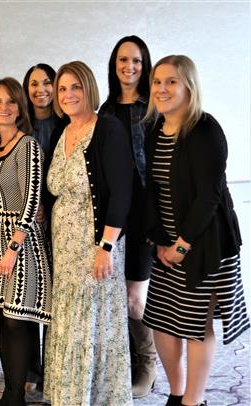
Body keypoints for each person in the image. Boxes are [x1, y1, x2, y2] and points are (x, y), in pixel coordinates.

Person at [142, 55, 250, 406]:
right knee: (161, 320)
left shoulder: (205, 130)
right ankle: (177, 394)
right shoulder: (155, 130)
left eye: (171, 81)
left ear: (189, 86)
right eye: (157, 81)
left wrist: (182, 245)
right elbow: (152, 190)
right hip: (166, 244)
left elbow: (209, 196)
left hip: (204, 243)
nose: (162, 88)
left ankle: (193, 400)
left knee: (195, 324)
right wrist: (161, 241)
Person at [44, 61, 133, 405]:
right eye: (62, 89)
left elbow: (122, 192)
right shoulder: (61, 130)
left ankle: (96, 397)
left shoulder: (108, 129)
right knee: (69, 323)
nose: (68, 95)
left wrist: (106, 247)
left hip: (96, 245)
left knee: (94, 324)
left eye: (75, 87)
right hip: (64, 249)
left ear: (89, 89)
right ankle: (69, 395)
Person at [0, 77, 52, 406]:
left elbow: (32, 200)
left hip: (21, 241)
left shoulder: (27, 146)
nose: (4, 107)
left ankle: (16, 394)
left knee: (15, 320)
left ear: (20, 108)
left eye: (10, 101)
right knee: (1, 318)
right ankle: (11, 388)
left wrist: (14, 247)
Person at [98, 35, 156, 399]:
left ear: (144, 65)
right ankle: (127, 363)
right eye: (123, 60)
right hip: (114, 217)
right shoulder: (105, 112)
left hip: (147, 216)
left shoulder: (154, 108)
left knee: (136, 297)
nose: (129, 67)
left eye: (136, 60)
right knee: (117, 296)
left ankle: (147, 365)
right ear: (114, 65)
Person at [21, 63, 68, 391]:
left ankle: (53, 369)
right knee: (32, 294)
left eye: (47, 82)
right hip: (27, 222)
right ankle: (31, 369)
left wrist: (47, 207)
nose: (41, 90)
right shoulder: (20, 125)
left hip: (61, 220)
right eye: (34, 84)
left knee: (57, 296)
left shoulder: (68, 123)